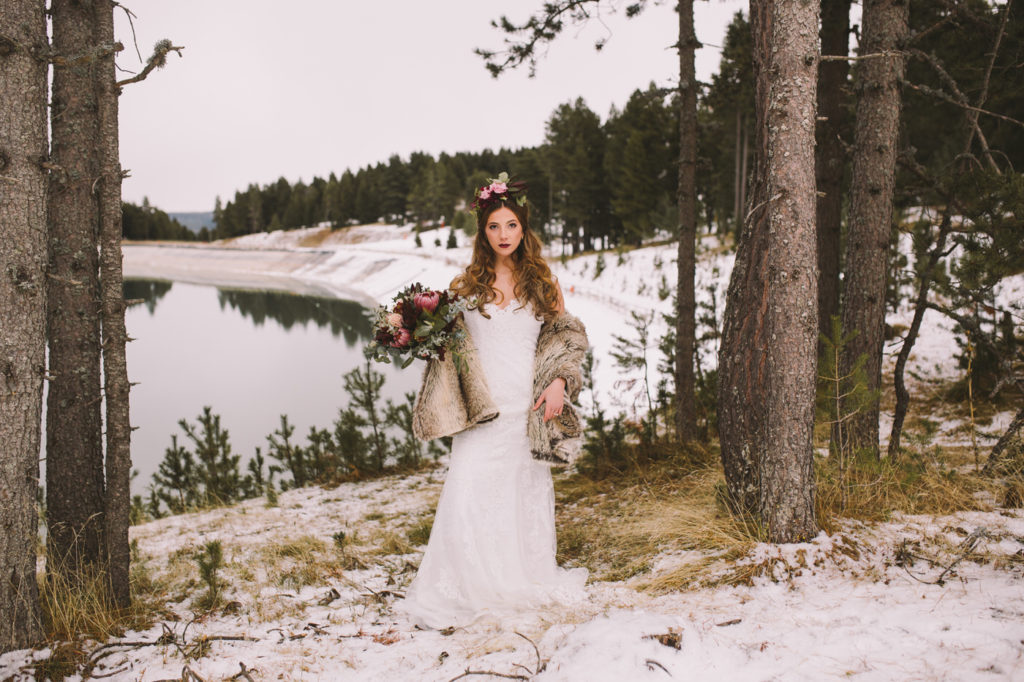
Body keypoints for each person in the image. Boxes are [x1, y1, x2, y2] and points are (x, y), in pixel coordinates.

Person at [401, 175, 588, 629]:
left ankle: (520, 577)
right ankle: (466, 584)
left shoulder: (543, 282)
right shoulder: (464, 287)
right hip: (484, 411)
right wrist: (409, 330)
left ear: (524, 229)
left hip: (526, 408)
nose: (503, 235)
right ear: (483, 234)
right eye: (494, 227)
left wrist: (560, 381)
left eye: (511, 225)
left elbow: (568, 337)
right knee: (468, 489)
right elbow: (442, 342)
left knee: (519, 495)